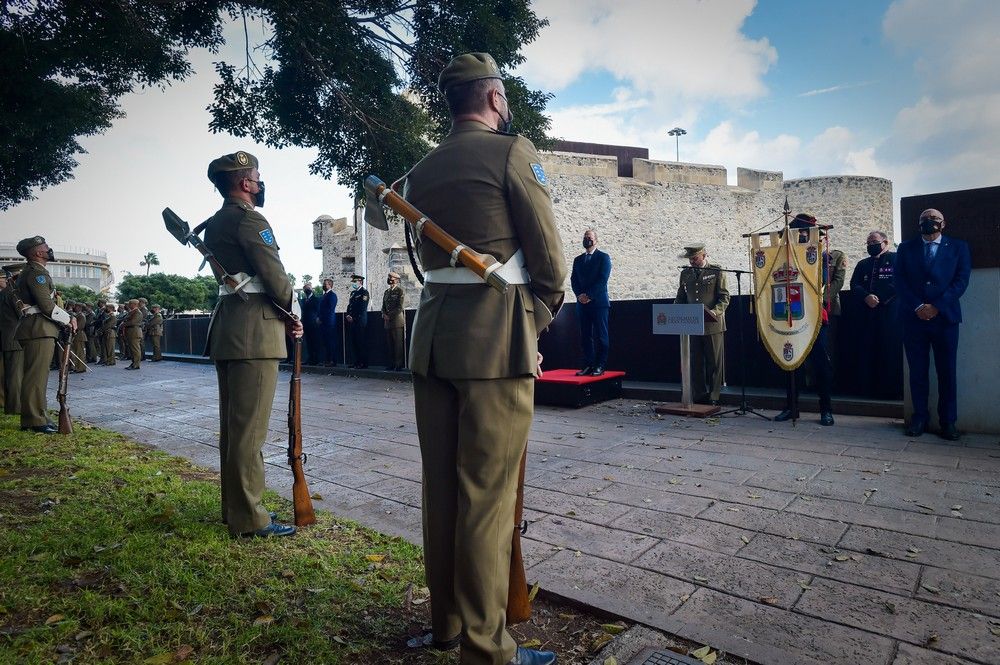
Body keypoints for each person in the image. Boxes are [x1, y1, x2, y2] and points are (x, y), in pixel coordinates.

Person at [402, 52, 566, 665]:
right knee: (487, 496)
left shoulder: (421, 169)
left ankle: (446, 622)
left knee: (440, 489)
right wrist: (535, 321)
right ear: (494, 98)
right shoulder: (510, 153)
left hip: (435, 336)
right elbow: (549, 261)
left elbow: (426, 261)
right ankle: (487, 647)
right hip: (497, 337)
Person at [204, 150, 302, 538]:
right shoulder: (249, 218)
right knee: (250, 432)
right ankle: (250, 517)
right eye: (256, 178)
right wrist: (295, 313)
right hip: (255, 332)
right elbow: (274, 275)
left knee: (234, 428)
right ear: (245, 183)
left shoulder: (215, 222)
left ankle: (235, 508)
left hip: (230, 327)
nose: (260, 185)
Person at [894, 208, 971, 440]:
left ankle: (948, 422)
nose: (929, 222)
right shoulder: (906, 248)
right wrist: (918, 307)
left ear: (943, 223)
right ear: (919, 224)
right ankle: (919, 418)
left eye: (934, 219)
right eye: (924, 220)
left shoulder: (958, 248)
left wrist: (936, 305)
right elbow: (900, 280)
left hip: (945, 319)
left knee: (947, 372)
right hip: (913, 318)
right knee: (917, 372)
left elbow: (961, 280)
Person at [773, 213, 836, 426]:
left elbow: (824, 281)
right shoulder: (782, 256)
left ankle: (825, 410)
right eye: (795, 232)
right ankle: (791, 407)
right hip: (790, 316)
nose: (798, 236)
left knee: (821, 365)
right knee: (791, 364)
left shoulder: (820, 255)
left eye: (802, 232)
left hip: (814, 316)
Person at [13, 236, 75, 433]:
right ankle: (34, 420)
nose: (49, 249)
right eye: (46, 247)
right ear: (37, 253)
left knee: (38, 375)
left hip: (37, 329)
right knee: (35, 376)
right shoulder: (36, 274)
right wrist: (68, 319)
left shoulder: (32, 272)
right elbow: (47, 305)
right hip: (38, 329)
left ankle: (39, 415)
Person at [674, 244, 729, 405]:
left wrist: (715, 312)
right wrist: (675, 311)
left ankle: (714, 396)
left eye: (695, 258)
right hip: (692, 324)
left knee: (714, 363)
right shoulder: (685, 273)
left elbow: (724, 297)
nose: (692, 262)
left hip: (712, 324)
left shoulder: (716, 271)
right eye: (690, 259)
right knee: (695, 362)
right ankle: (699, 394)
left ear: (704, 256)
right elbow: (681, 296)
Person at [849, 231, 900, 398]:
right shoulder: (863, 263)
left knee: (888, 349)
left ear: (885, 242)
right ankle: (866, 389)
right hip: (866, 312)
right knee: (867, 349)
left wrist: (881, 298)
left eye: (874, 241)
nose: (871, 244)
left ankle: (890, 391)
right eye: (868, 242)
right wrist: (866, 296)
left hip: (889, 312)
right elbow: (854, 283)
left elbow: (899, 282)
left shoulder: (896, 259)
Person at [570, 229, 611, 376]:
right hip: (582, 304)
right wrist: (579, 295)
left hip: (599, 303)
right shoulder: (578, 260)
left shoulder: (603, 257)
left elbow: (602, 280)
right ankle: (588, 365)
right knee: (585, 336)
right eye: (585, 237)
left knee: (601, 336)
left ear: (596, 240)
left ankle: (600, 365)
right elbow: (573, 280)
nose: (587, 239)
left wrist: (589, 295)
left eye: (590, 237)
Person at [0, 268, 24, 415]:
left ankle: (7, 404)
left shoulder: (3, 294)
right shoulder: (12, 294)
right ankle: (15, 407)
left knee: (7, 375)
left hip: (6, 338)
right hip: (15, 339)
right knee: (15, 376)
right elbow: (22, 314)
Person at [381, 271, 406, 370]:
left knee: (398, 344)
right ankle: (391, 364)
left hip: (396, 321)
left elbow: (400, 307)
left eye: (392, 278)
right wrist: (383, 314)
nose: (390, 280)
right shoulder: (386, 292)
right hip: (387, 322)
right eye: (389, 278)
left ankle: (398, 364)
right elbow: (383, 306)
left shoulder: (400, 291)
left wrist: (389, 316)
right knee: (390, 344)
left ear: (396, 280)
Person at [346, 274, 369, 368]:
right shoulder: (353, 293)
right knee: (353, 342)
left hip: (359, 320)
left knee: (360, 342)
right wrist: (348, 315)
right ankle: (355, 361)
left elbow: (362, 307)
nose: (353, 284)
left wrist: (354, 318)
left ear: (360, 282)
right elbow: (349, 306)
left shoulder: (364, 292)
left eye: (355, 282)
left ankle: (362, 363)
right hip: (352, 321)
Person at [299, 282, 321, 365]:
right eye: (305, 288)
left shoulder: (316, 299)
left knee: (315, 342)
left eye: (308, 288)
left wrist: (318, 319)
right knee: (308, 342)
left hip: (314, 324)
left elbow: (318, 310)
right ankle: (310, 358)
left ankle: (316, 359)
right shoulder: (303, 300)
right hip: (306, 323)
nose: (306, 290)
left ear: (311, 289)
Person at [319, 277, 339, 366]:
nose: (323, 285)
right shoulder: (324, 295)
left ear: (330, 285)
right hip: (323, 322)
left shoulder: (332, 295)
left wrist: (321, 318)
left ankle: (332, 360)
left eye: (325, 284)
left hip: (329, 322)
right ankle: (327, 360)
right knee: (325, 342)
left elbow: (330, 309)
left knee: (331, 342)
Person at [122, 299, 143, 370]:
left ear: (135, 304)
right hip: (131, 332)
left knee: (135, 349)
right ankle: (133, 363)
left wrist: (123, 324)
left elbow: (133, 322)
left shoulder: (138, 312)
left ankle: (136, 364)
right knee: (132, 349)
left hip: (135, 332)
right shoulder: (132, 312)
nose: (129, 305)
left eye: (130, 304)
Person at [71, 303, 88, 373]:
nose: (75, 307)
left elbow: (79, 327)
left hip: (79, 335)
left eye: (76, 306)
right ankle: (77, 367)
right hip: (78, 335)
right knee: (77, 352)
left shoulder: (81, 316)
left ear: (80, 307)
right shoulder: (78, 315)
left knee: (79, 353)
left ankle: (80, 368)